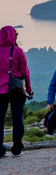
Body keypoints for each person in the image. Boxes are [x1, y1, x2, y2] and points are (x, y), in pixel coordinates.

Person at [0, 26, 32, 158]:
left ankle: (0, 150)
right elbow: (25, 72)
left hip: (0, 91)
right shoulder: (18, 52)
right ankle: (17, 148)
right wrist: (29, 89)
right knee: (17, 118)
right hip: (17, 90)